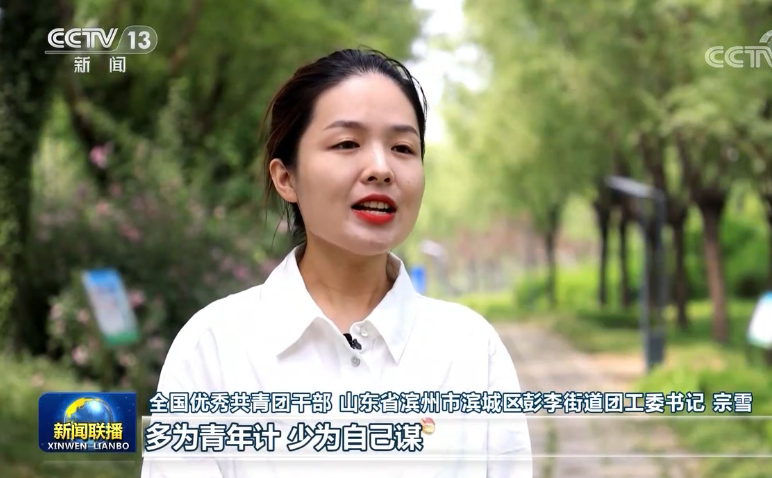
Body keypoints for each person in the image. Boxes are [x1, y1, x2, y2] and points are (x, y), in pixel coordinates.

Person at [141, 48, 532, 478]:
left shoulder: (471, 350)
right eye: (347, 144)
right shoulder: (213, 348)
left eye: (402, 147)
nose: (381, 169)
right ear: (286, 178)